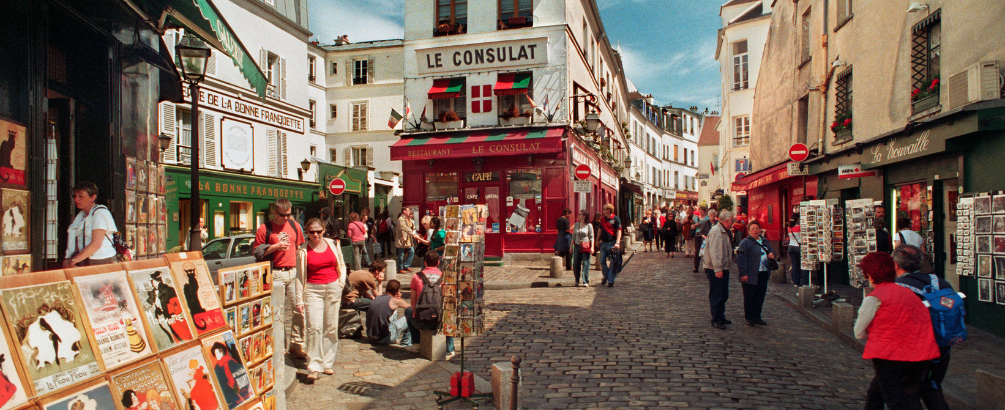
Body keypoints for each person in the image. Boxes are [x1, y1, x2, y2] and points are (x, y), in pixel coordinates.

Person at [854, 252, 940, 410]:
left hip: (889, 355)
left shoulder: (874, 298)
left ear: (870, 275)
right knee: (876, 392)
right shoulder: (909, 293)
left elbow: (859, 332)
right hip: (919, 353)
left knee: (895, 399)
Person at [252, 198, 306, 408]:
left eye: (289, 214)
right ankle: (278, 347)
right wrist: (274, 246)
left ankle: (296, 345)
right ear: (275, 213)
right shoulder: (265, 228)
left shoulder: (294, 226)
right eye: (283, 215)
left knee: (299, 309)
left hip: (293, 272)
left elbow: (301, 247)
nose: (286, 218)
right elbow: (256, 252)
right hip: (275, 273)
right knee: (277, 313)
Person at [893, 245, 954, 410]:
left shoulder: (898, 288)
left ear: (896, 265)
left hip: (915, 349)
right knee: (931, 387)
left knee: (909, 391)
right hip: (942, 348)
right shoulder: (941, 283)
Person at [294, 217, 347, 381]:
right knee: (314, 327)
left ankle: (327, 363)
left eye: (318, 231)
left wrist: (340, 283)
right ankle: (314, 366)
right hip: (312, 290)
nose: (315, 235)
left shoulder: (333, 244)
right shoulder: (302, 251)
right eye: (311, 232)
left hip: (332, 287)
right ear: (307, 232)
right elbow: (298, 277)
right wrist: (299, 300)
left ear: (324, 230)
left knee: (330, 327)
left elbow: (342, 265)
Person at [406, 252, 455, 359]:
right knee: (449, 312)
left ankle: (417, 342)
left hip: (421, 322)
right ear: (438, 262)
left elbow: (413, 305)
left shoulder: (416, 277)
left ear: (424, 262)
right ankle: (450, 348)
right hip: (439, 322)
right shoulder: (445, 277)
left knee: (408, 311)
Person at [64, 181, 118, 267]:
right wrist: (69, 258)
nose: (76, 199)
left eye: (80, 196)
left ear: (93, 197)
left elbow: (96, 244)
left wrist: (74, 260)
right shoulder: (81, 215)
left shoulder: (100, 213)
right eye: (74, 196)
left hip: (102, 260)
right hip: (85, 259)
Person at [736, 221, 776, 326]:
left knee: (760, 296)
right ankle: (750, 317)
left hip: (763, 273)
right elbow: (741, 259)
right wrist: (743, 273)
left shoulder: (764, 240)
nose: (755, 231)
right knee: (750, 296)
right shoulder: (745, 242)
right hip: (751, 273)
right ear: (749, 231)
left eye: (757, 228)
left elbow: (771, 250)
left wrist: (772, 254)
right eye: (753, 228)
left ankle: (757, 316)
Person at [703, 210, 734, 329]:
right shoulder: (717, 232)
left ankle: (720, 315)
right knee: (717, 293)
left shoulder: (723, 231)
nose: (732, 223)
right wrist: (718, 269)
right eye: (731, 221)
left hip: (722, 267)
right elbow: (715, 252)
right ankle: (716, 318)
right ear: (726, 221)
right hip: (715, 268)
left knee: (723, 293)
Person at [366, 279, 411, 345]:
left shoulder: (378, 298)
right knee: (409, 316)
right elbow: (411, 308)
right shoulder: (394, 301)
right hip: (384, 338)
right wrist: (399, 299)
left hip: (370, 337)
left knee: (390, 310)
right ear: (397, 291)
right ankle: (406, 343)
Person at [597, 204, 622, 287]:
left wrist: (617, 242)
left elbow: (619, 231)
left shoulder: (616, 219)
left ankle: (610, 280)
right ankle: (607, 276)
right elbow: (600, 230)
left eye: (604, 209)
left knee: (613, 262)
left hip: (612, 243)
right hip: (603, 243)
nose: (602, 210)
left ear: (608, 210)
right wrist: (597, 240)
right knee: (602, 261)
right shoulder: (603, 219)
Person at [571, 210, 595, 287]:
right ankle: (577, 280)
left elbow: (591, 237)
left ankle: (585, 280)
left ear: (584, 216)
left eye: (580, 214)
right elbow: (573, 237)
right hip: (577, 245)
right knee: (576, 264)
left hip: (586, 245)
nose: (578, 215)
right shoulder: (576, 225)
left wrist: (592, 247)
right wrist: (571, 247)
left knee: (586, 263)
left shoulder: (589, 225)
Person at [395, 208, 422, 274]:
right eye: (408, 210)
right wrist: (412, 233)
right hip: (402, 239)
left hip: (408, 239)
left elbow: (412, 228)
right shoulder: (401, 219)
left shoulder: (408, 219)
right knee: (401, 254)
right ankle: (400, 268)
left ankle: (406, 265)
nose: (410, 212)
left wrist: (416, 235)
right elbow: (404, 227)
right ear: (404, 211)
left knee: (412, 252)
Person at [787, 217, 805, 287]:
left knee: (794, 265)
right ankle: (804, 282)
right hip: (798, 247)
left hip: (791, 247)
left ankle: (795, 282)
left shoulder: (789, 228)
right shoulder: (800, 227)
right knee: (802, 265)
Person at [693, 207, 711, 273]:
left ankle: (706, 267)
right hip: (698, 235)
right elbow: (692, 227)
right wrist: (695, 225)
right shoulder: (696, 218)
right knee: (697, 251)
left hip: (705, 236)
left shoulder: (707, 219)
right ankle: (696, 266)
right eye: (699, 211)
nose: (700, 212)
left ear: (705, 211)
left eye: (702, 211)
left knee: (706, 252)